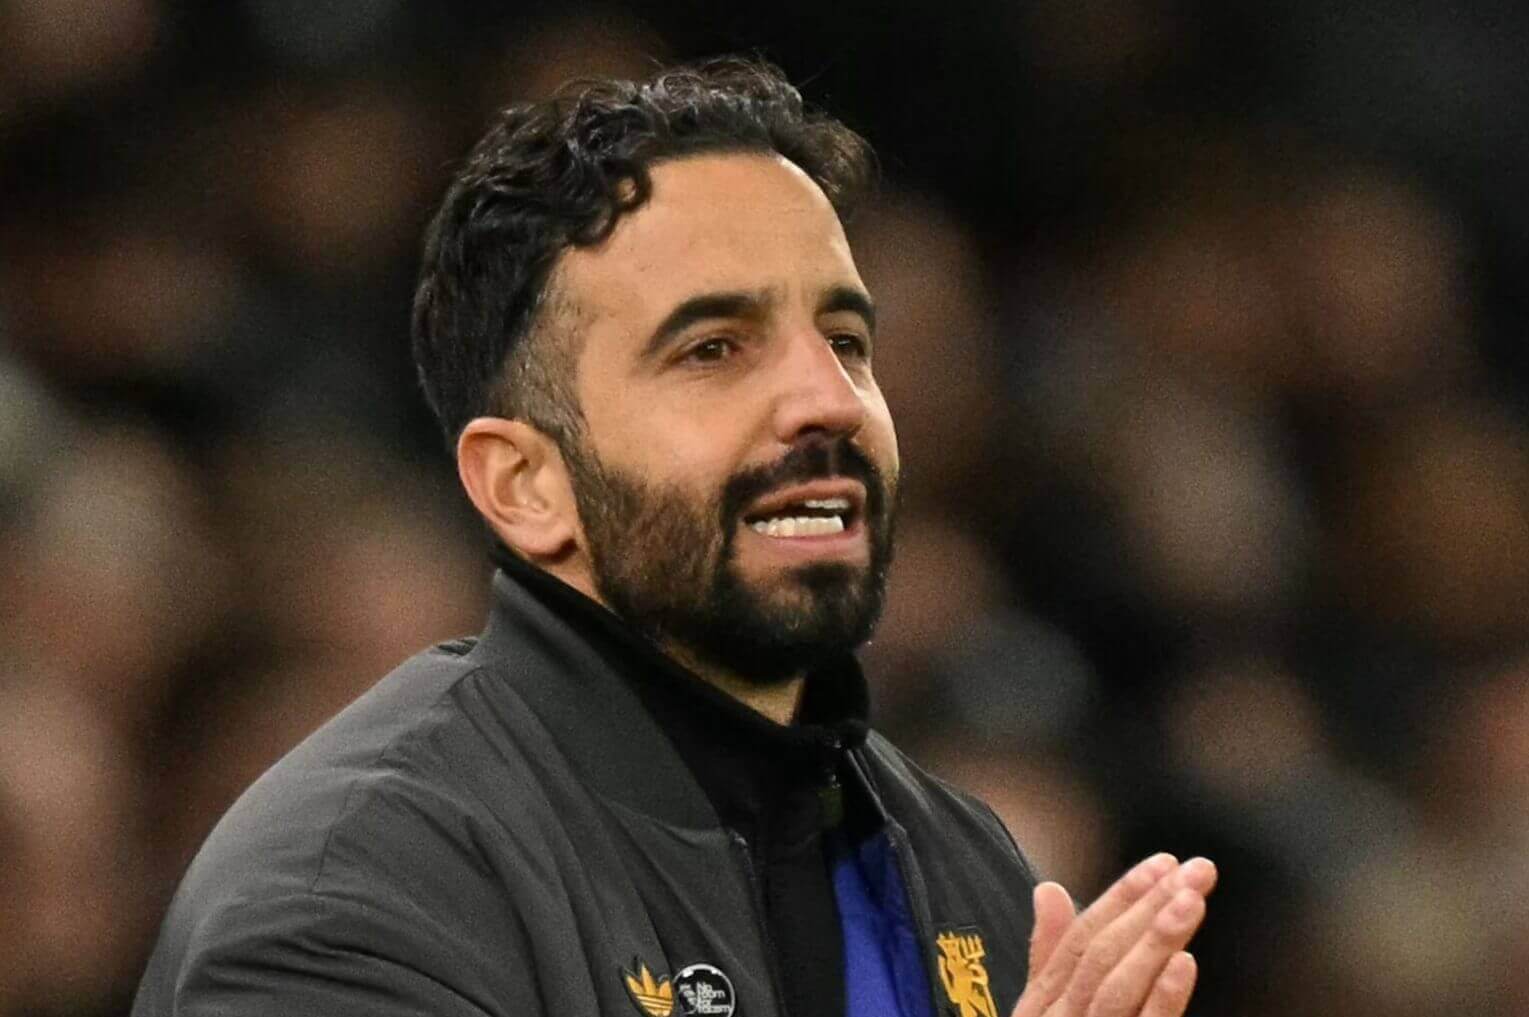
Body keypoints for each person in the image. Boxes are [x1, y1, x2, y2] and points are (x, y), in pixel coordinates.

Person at [131, 58, 1216, 1017]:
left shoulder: (957, 866)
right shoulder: (361, 888)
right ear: (524, 486)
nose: (825, 401)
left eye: (843, 339)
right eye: (712, 349)